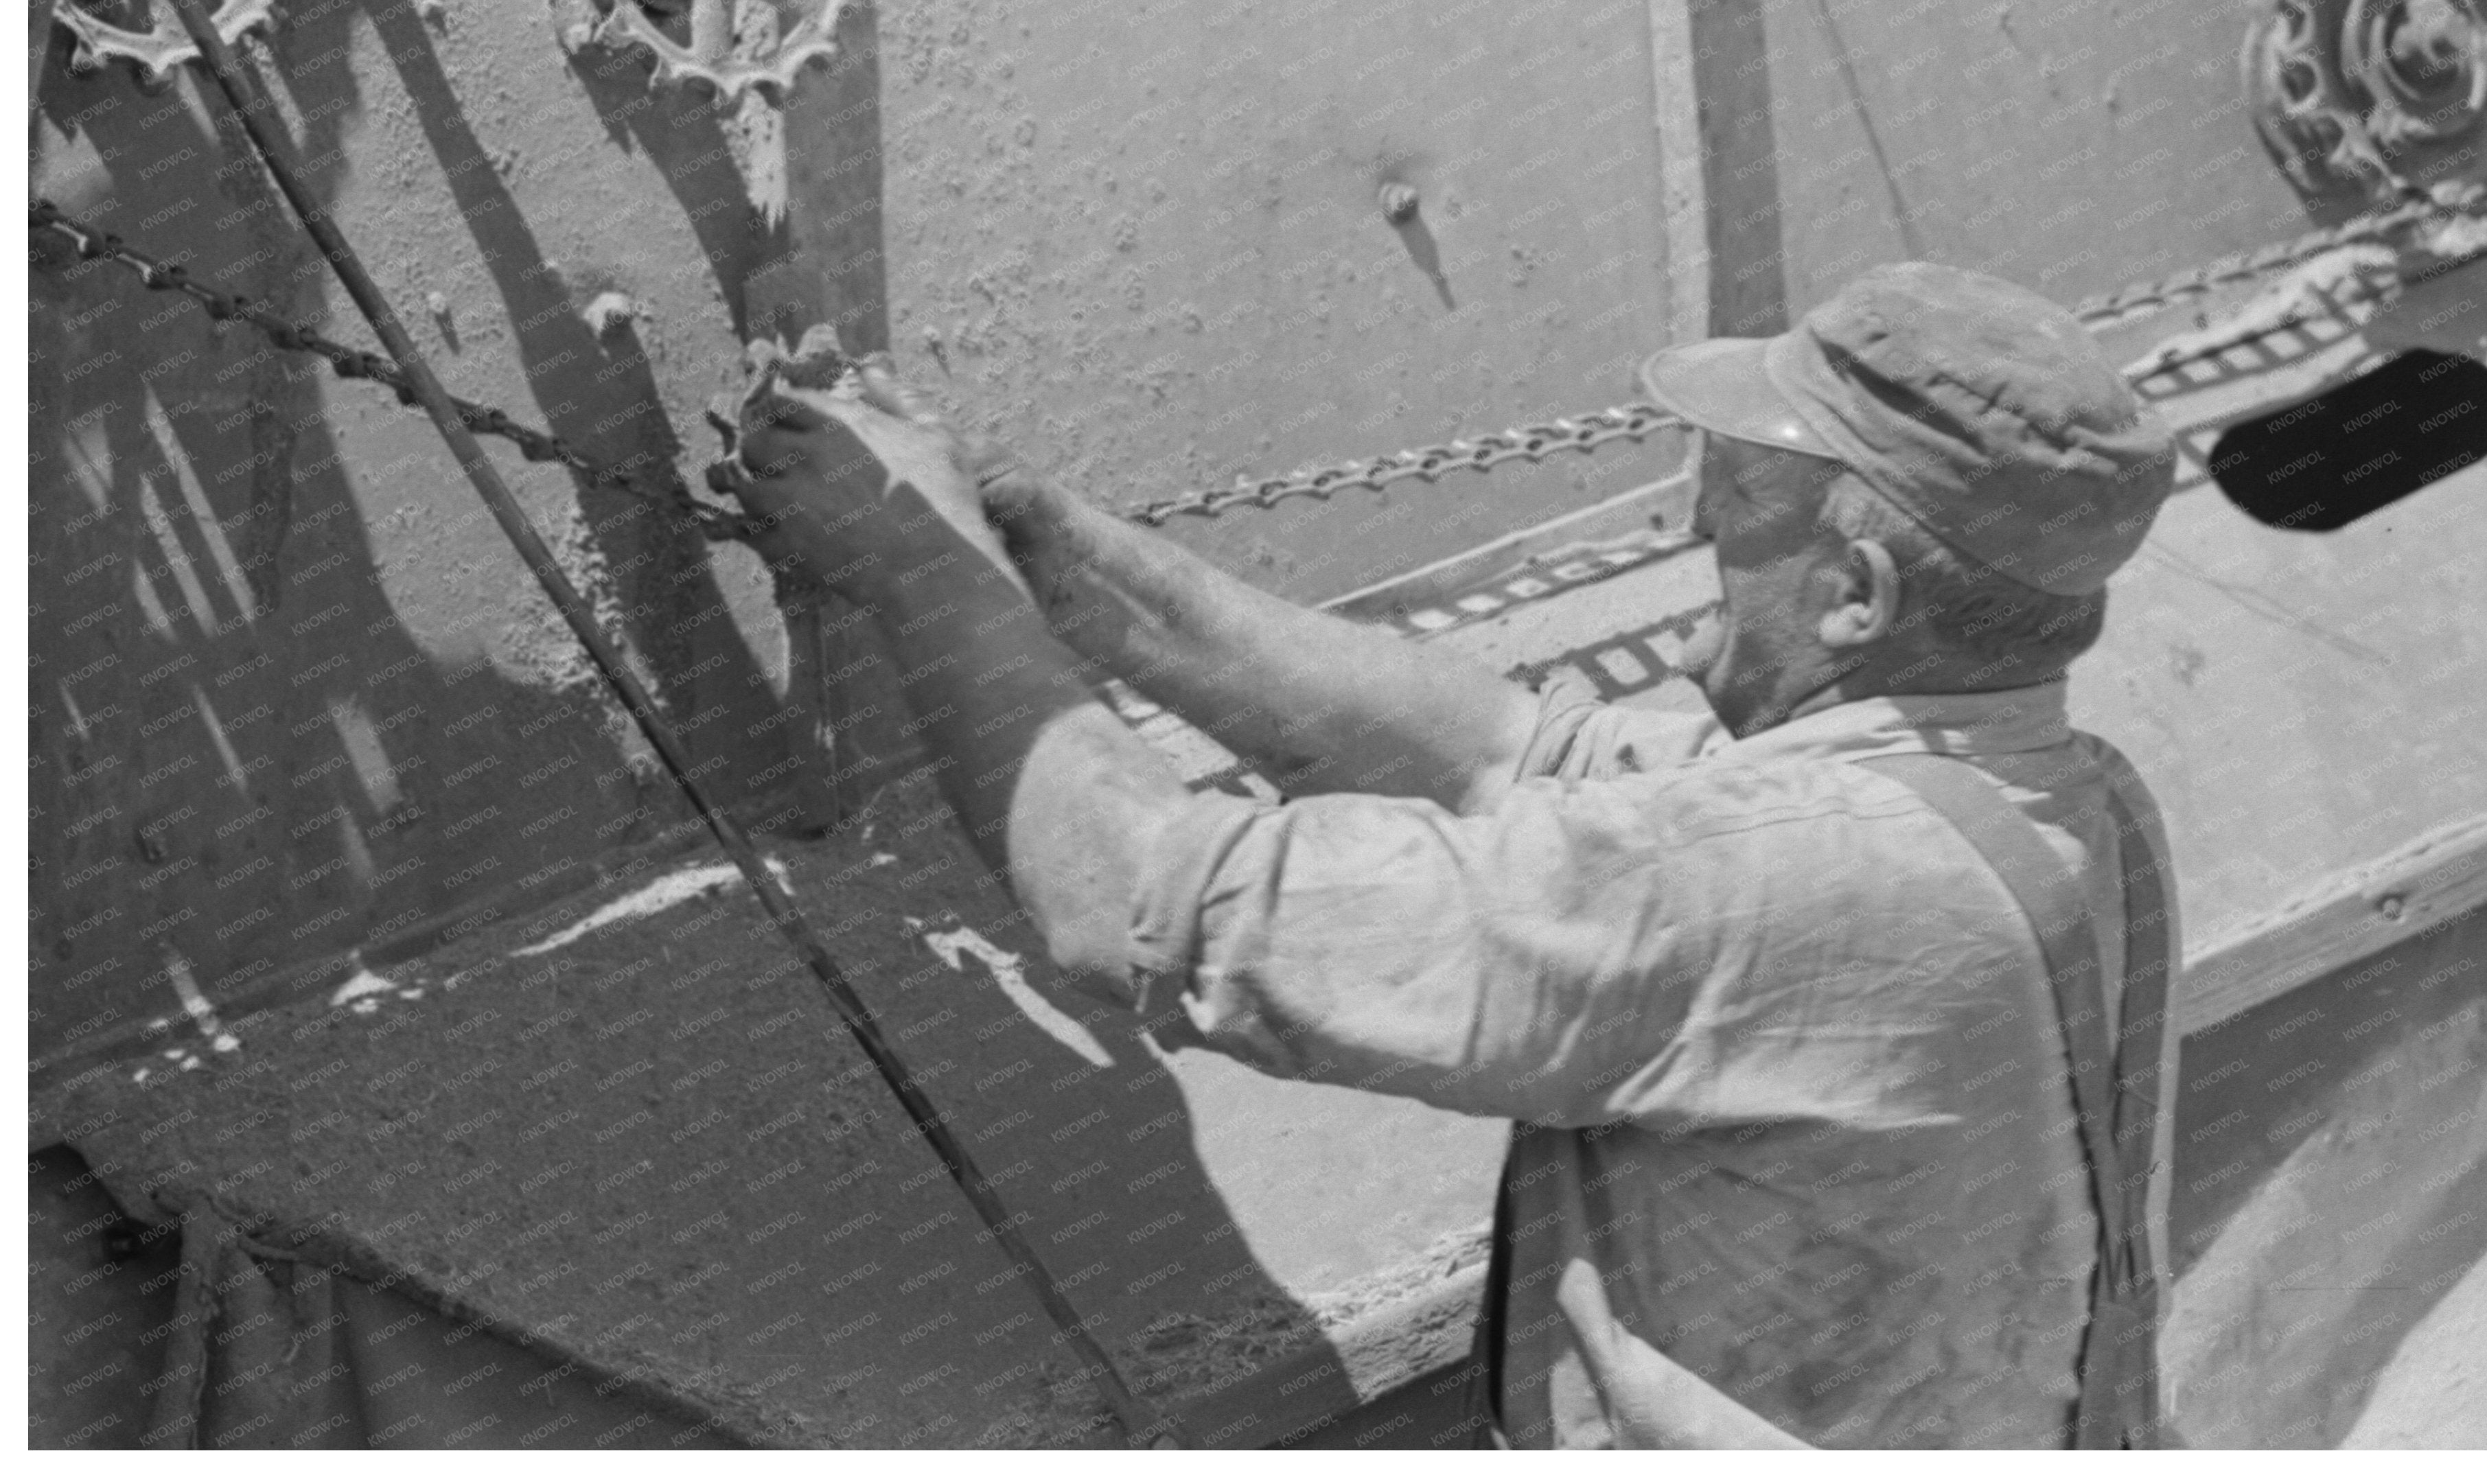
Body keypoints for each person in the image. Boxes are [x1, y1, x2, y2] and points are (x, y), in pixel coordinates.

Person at [708, 261, 2183, 1449]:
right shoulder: (2058, 803)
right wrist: (1046, 542)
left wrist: (919, 564)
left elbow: (1141, 894)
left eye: (1741, 503)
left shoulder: (1769, 881)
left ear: (1855, 594)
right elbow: (1504, 755)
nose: (1694, 517)